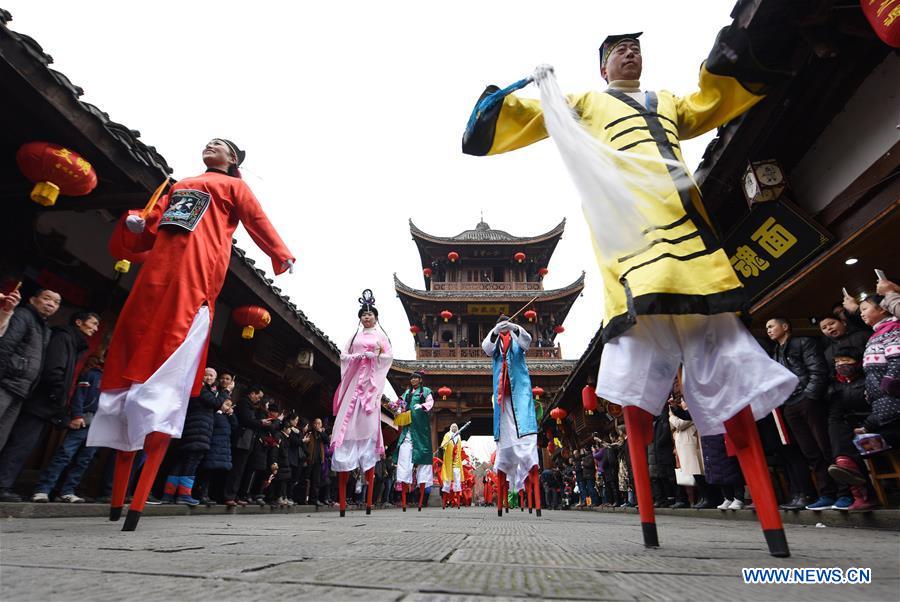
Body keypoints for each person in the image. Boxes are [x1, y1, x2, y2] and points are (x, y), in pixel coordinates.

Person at [463, 29, 797, 557]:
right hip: (634, 241)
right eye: (617, 49)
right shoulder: (587, 103)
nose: (630, 53)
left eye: (635, 47)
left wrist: (756, 49)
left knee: (725, 355)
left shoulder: (668, 103)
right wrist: (500, 103)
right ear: (602, 68)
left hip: (690, 230)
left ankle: (765, 514)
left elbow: (713, 99)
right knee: (639, 381)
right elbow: (529, 115)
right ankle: (647, 507)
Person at [88, 139, 294, 531]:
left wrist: (278, 251)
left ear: (233, 159)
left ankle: (135, 499)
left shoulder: (234, 187)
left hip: (195, 271)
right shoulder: (178, 184)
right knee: (133, 333)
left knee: (174, 342)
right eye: (209, 141)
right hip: (156, 270)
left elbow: (257, 220)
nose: (210, 144)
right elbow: (152, 228)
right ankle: (118, 498)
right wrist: (136, 224)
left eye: (220, 144)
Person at [0, 307, 95, 502]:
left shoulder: (74, 343)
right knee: (20, 444)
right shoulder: (63, 338)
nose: (95, 328)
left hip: (47, 403)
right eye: (93, 323)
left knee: (24, 445)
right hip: (41, 401)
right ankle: (3, 485)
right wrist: (58, 399)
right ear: (79, 322)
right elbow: (54, 370)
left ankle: (6, 484)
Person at [330, 289, 393, 517]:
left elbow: (388, 357)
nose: (367, 318)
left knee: (367, 420)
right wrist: (357, 357)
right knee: (346, 420)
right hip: (356, 380)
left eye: (370, 315)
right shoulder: (354, 337)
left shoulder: (380, 337)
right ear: (360, 318)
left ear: (376, 317)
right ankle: (344, 495)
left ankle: (368, 497)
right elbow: (343, 355)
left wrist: (375, 356)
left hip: (370, 385)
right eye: (364, 315)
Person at [766, 318, 835, 510]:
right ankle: (827, 493)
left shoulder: (804, 342)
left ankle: (844, 492)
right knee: (810, 451)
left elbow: (818, 371)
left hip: (808, 399)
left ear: (785, 326)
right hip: (789, 404)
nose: (768, 330)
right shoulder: (775, 352)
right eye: (767, 328)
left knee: (824, 445)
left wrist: (809, 396)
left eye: (771, 326)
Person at [482, 315, 541, 518]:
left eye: (505, 324)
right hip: (502, 395)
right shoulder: (496, 342)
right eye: (502, 325)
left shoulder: (517, 339)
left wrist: (515, 327)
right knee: (505, 430)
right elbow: (486, 348)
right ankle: (506, 460)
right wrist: (495, 331)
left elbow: (527, 341)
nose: (504, 328)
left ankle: (527, 465)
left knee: (523, 429)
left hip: (519, 393)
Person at [31, 354, 104, 503]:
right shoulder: (91, 375)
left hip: (101, 425)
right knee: (64, 454)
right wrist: (77, 415)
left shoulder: (117, 381)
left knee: (85, 459)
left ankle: (67, 490)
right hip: (84, 420)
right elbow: (79, 395)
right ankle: (43, 489)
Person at [0, 289, 59, 457]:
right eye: (46, 298)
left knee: (2, 437)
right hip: (6, 383)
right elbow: (6, 346)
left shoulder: (45, 328)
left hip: (21, 390)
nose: (51, 304)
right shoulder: (23, 315)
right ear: (33, 300)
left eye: (56, 302)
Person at [159, 367, 229, 506]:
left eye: (211, 376)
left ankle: (169, 494)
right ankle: (184, 495)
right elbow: (216, 403)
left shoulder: (205, 389)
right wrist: (226, 391)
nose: (209, 378)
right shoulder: (201, 388)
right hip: (197, 431)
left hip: (194, 430)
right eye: (206, 375)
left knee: (181, 462)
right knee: (191, 462)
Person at [389, 371, 434, 511]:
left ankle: (421, 501)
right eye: (412, 378)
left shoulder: (425, 391)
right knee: (403, 461)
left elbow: (430, 402)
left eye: (416, 378)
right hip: (408, 431)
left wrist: (422, 406)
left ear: (420, 380)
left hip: (421, 431)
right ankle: (403, 501)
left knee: (424, 461)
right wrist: (393, 406)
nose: (413, 379)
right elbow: (398, 404)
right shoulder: (407, 393)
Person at [439, 423, 463, 509]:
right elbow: (443, 445)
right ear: (450, 428)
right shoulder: (447, 435)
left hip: (456, 461)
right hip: (449, 460)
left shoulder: (459, 437)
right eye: (453, 427)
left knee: (457, 480)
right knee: (447, 482)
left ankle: (458, 503)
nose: (454, 428)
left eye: (456, 427)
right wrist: (447, 442)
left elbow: (460, 449)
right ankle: (444, 504)